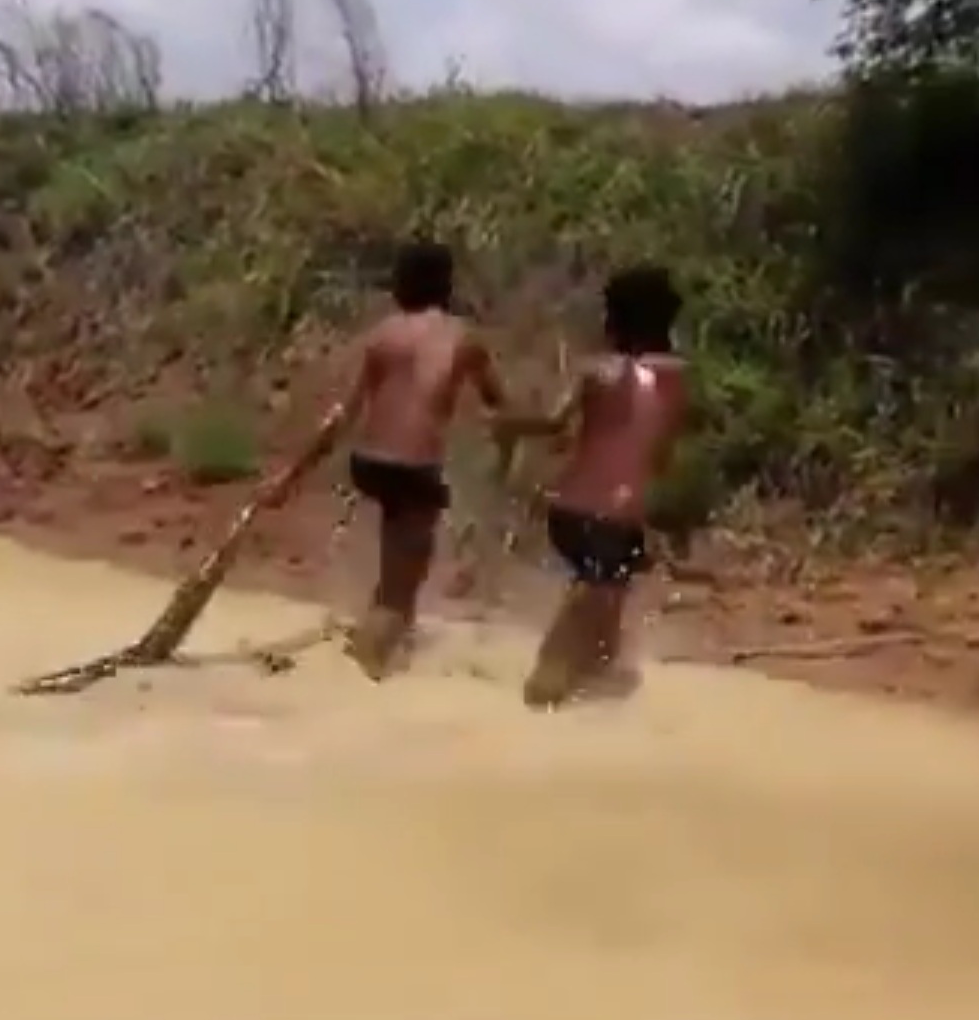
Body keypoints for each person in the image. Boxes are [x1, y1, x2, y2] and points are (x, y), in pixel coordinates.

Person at [259, 241, 509, 680]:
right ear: (447, 286)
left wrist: (290, 476)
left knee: (398, 559)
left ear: (400, 284)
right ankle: (362, 670)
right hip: (416, 470)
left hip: (369, 463)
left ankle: (383, 641)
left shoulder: (382, 335)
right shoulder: (464, 338)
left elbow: (343, 414)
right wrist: (505, 461)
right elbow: (500, 405)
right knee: (400, 590)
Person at [493, 264, 690, 709]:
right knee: (593, 608)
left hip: (571, 512)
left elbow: (552, 422)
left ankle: (571, 690)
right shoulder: (678, 381)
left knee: (602, 613)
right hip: (621, 519)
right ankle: (550, 698)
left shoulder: (593, 371)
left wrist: (506, 424)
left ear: (612, 319)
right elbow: (660, 457)